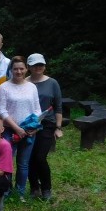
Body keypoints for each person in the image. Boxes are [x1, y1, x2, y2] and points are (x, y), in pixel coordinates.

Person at [0, 55, 42, 199]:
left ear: (26, 69)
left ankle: (20, 192)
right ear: (11, 70)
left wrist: (34, 126)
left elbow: (37, 109)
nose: (18, 71)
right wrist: (16, 128)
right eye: (15, 69)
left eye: (21, 68)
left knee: (23, 164)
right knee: (7, 163)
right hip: (9, 130)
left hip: (29, 131)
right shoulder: (4, 87)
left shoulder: (32, 87)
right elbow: (2, 111)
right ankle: (6, 191)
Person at [27, 53, 64, 200]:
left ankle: (46, 188)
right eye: (35, 65)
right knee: (29, 158)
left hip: (47, 124)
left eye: (41, 65)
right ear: (29, 67)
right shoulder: (24, 82)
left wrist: (58, 127)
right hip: (29, 124)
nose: (38, 68)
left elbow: (58, 106)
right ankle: (34, 187)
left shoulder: (52, 83)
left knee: (40, 157)